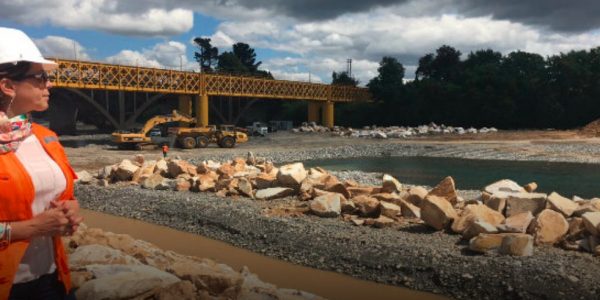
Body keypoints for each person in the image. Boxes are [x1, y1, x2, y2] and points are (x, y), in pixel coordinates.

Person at [0, 27, 83, 299]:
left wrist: (68, 210)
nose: (50, 84)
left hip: (51, 278)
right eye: (41, 77)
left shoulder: (46, 138)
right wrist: (33, 228)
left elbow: (61, 196)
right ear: (8, 85)